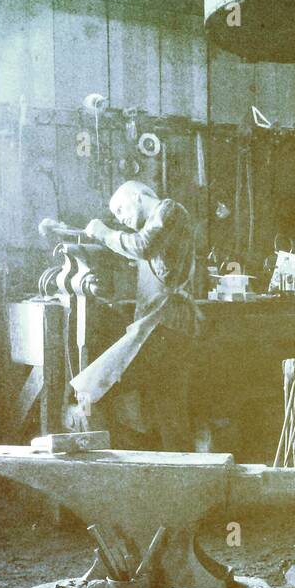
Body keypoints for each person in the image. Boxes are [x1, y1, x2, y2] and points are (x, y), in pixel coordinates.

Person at [71, 181, 203, 450]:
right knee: (170, 416)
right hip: (165, 327)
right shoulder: (152, 232)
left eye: (121, 209)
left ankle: (102, 469)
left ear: (140, 196)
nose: (121, 218)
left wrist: (104, 232)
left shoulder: (168, 211)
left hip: (166, 327)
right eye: (116, 216)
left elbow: (142, 246)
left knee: (88, 391)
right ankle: (179, 483)